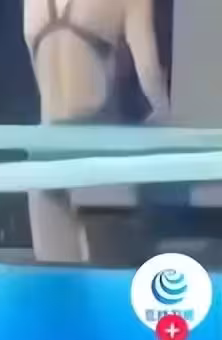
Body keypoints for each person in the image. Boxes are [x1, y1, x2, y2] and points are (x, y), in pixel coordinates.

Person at [23, 0, 171, 263]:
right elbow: (148, 72)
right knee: (109, 275)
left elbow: (39, 76)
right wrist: (165, 117)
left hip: (43, 154)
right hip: (98, 150)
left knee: (55, 277)